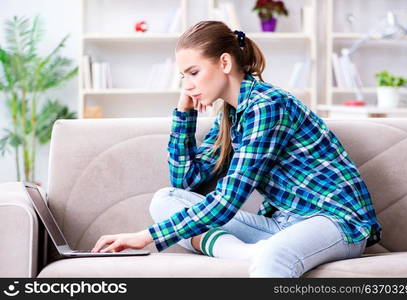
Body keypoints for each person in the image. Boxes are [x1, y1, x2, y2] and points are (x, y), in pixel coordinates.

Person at [91, 20, 382, 277]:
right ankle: (249, 255)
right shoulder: (229, 116)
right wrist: (184, 114)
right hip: (283, 225)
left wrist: (146, 237)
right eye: (183, 77)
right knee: (165, 200)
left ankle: (266, 254)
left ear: (225, 63)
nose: (187, 85)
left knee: (274, 256)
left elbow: (228, 200)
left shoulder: (267, 105)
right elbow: (186, 184)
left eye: (193, 72)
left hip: (333, 221)